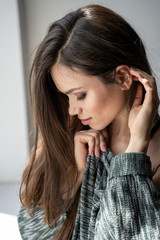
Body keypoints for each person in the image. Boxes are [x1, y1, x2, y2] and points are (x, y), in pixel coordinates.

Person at [18, 4, 160, 240]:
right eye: (67, 96)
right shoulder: (68, 139)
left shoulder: (153, 158)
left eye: (80, 95)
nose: (73, 110)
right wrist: (75, 175)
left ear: (123, 77)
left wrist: (135, 150)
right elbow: (31, 233)